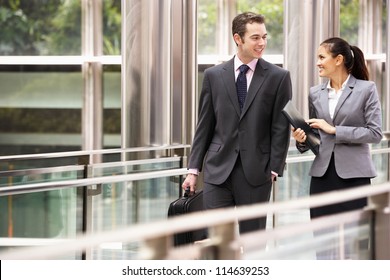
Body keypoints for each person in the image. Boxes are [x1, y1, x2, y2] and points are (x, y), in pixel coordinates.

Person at [181, 12, 292, 234]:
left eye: (264, 37)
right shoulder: (213, 75)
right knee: (219, 240)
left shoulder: (278, 77)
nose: (262, 43)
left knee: (253, 239)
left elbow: (280, 127)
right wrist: (193, 169)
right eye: (255, 37)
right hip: (217, 171)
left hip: (257, 172)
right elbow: (205, 124)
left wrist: (274, 168)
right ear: (238, 38)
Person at [292, 37, 383, 219]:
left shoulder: (366, 89)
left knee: (355, 238)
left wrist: (335, 130)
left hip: (355, 176)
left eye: (322, 57)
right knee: (322, 236)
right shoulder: (315, 93)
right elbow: (317, 136)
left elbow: (375, 133)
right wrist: (302, 140)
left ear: (338, 59)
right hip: (321, 176)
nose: (318, 63)